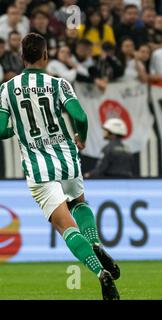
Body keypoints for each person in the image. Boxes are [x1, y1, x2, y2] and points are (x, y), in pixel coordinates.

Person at [0, 33, 120, 300]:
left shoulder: (7, 89)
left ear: (22, 57)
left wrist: (16, 130)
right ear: (45, 56)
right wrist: (82, 138)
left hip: (38, 166)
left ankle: (100, 273)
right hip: (66, 157)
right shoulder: (58, 84)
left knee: (66, 227)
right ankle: (96, 242)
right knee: (79, 202)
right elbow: (80, 115)